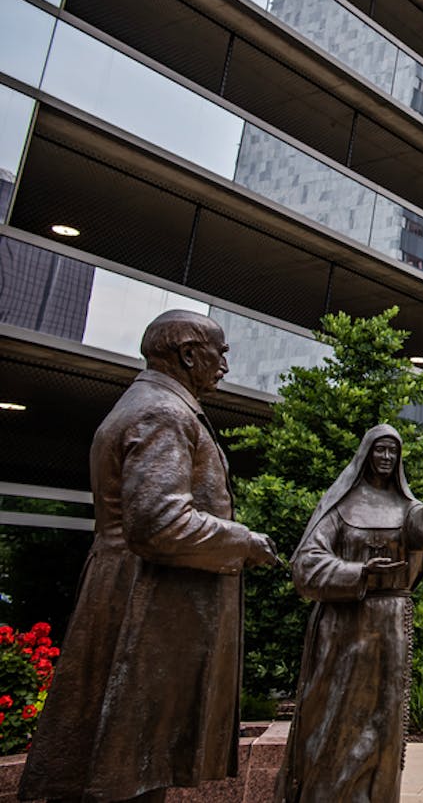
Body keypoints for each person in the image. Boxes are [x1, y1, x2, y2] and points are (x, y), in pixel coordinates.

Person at [19, 310, 281, 803]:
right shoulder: (165, 412)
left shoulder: (148, 405)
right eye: (218, 352)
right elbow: (159, 522)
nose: (225, 363)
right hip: (146, 603)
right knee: (130, 758)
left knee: (126, 757)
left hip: (132, 592)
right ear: (187, 354)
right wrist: (243, 541)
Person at [279, 425, 423, 802]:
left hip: (390, 630)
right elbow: (306, 566)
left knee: (383, 723)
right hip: (344, 630)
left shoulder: (406, 508)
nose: (386, 458)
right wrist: (359, 573)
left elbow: (416, 546)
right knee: (337, 721)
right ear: (366, 454)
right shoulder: (340, 506)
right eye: (380, 450)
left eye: (393, 452)